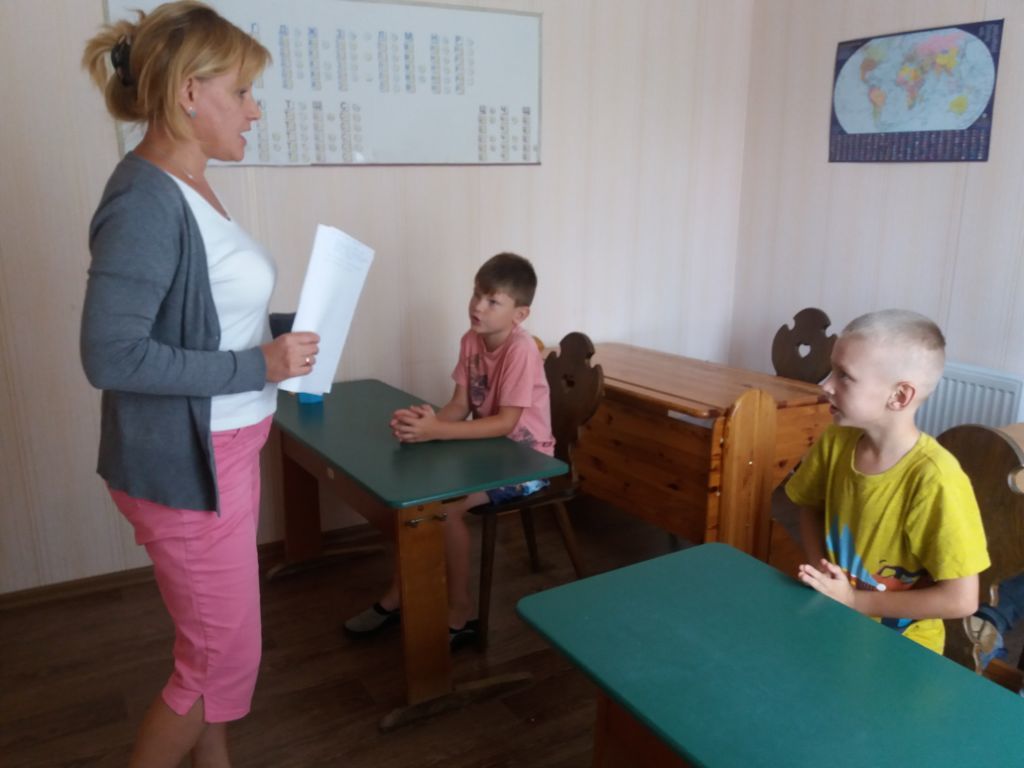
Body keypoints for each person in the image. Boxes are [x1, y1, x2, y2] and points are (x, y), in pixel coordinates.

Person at [80, 3, 319, 765]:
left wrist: (284, 333)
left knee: (209, 644)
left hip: (227, 450)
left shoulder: (190, 186)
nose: (255, 110)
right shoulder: (145, 200)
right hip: (188, 467)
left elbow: (204, 316)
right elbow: (112, 356)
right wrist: (259, 366)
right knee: (221, 660)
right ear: (189, 92)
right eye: (242, 91)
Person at [344, 252, 554, 646]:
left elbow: (506, 423)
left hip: (528, 464)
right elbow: (460, 405)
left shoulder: (520, 350)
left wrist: (438, 430)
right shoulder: (471, 340)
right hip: (487, 453)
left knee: (443, 509)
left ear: (520, 315)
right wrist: (425, 426)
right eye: (476, 294)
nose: (478, 306)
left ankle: (461, 610)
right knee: (415, 496)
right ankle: (400, 593)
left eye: (492, 301)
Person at [787, 309, 990, 655]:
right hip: (835, 621)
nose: (826, 385)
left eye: (844, 376)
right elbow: (810, 505)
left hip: (902, 650)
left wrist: (854, 601)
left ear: (899, 396)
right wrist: (826, 580)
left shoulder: (936, 479)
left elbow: (961, 599)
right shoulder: (835, 440)